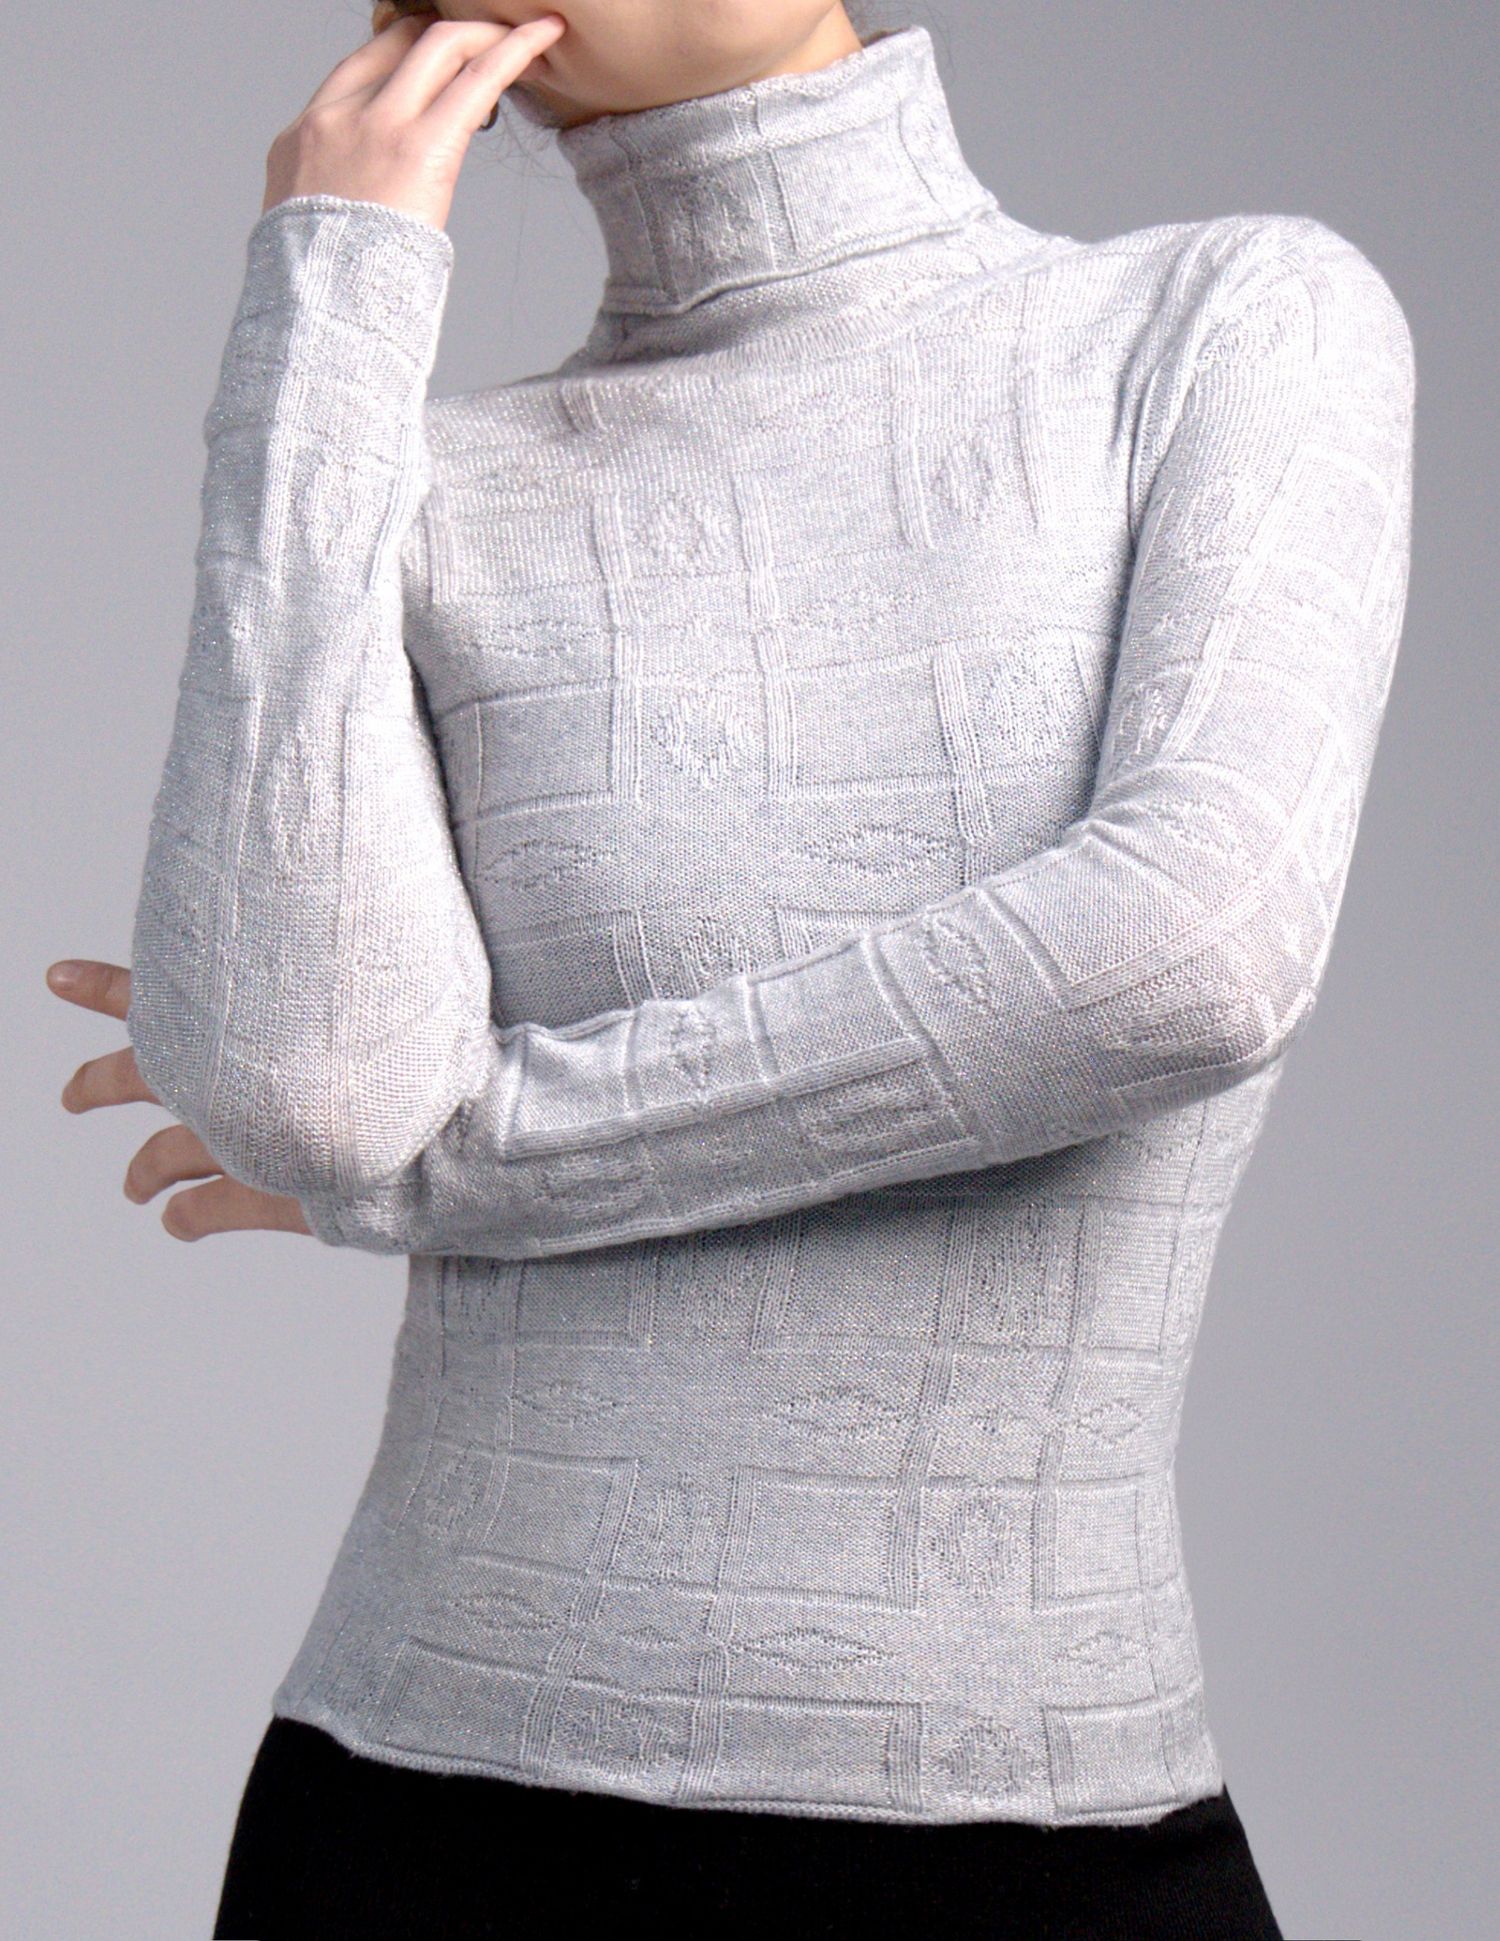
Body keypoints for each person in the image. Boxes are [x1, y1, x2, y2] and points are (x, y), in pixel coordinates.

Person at [49, 1, 1415, 1933]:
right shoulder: (434, 480)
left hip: (1028, 1841)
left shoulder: (1223, 325)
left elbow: (1186, 957)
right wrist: (327, 300)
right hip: (411, 1807)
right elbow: (305, 1092)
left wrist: (455, 1165)